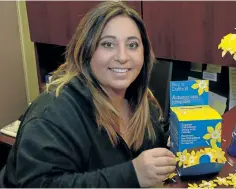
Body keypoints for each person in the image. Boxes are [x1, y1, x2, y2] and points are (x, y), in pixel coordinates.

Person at [0, 1, 176, 188]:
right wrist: (132, 175)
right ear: (86, 50)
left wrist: (180, 137)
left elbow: (157, 137)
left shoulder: (143, 101)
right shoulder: (51, 114)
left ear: (145, 53)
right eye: (108, 44)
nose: (123, 57)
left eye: (133, 45)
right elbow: (40, 185)